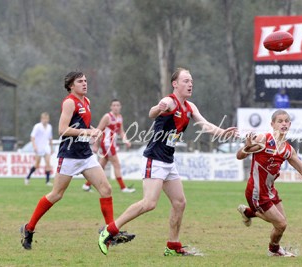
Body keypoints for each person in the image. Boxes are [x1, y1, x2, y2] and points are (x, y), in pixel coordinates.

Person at [97, 67, 238, 256]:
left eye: (191, 81)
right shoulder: (169, 102)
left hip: (168, 161)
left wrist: (224, 133)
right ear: (175, 84)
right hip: (154, 159)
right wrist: (158, 108)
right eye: (186, 81)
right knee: (149, 203)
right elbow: (152, 112)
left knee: (179, 202)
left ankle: (173, 246)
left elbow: (206, 126)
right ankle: (110, 230)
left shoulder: (190, 107)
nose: (190, 84)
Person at [20, 71, 135, 250]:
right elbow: (62, 129)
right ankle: (29, 228)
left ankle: (110, 234)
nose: (84, 83)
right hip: (69, 155)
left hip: (85, 154)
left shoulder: (86, 101)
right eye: (80, 81)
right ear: (71, 86)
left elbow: (82, 126)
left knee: (106, 189)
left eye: (85, 80)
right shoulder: (69, 102)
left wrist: (94, 129)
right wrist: (88, 132)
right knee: (56, 195)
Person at [236, 109, 302, 257]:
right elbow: (239, 156)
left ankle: (248, 212)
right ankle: (274, 251)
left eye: (286, 121)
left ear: (289, 124)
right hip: (256, 191)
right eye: (280, 121)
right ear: (272, 124)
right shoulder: (263, 139)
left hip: (270, 191)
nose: (283, 124)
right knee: (281, 223)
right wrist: (246, 146)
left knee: (281, 225)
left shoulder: (288, 150)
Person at [82, 99, 135, 193]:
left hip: (112, 144)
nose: (116, 107)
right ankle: (123, 188)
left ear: (120, 107)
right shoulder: (107, 117)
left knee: (101, 165)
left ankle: (86, 185)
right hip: (106, 143)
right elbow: (98, 130)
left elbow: (121, 131)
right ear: (111, 107)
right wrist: (95, 145)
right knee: (117, 164)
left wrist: (125, 140)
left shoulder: (120, 117)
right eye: (114, 105)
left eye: (117, 105)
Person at [25, 112, 54, 186]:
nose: (46, 120)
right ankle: (27, 177)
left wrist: (51, 148)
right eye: (44, 118)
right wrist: (34, 146)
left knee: (48, 164)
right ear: (41, 119)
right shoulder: (37, 126)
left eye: (47, 118)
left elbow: (50, 138)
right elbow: (32, 137)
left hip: (46, 147)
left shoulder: (49, 127)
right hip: (39, 148)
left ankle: (47, 181)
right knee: (37, 164)